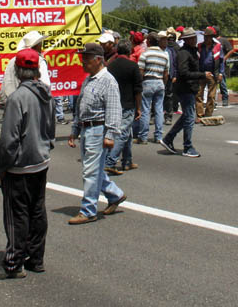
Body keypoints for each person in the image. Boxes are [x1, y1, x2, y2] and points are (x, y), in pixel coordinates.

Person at [0, 48, 56, 280]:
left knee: (17, 215)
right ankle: (36, 258)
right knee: (37, 211)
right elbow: (51, 129)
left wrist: (2, 167)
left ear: (17, 70)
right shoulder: (46, 93)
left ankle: (14, 264)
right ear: (36, 70)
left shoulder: (17, 98)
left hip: (20, 165)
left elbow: (8, 140)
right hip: (41, 160)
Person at [67, 42, 126, 225]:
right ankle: (115, 194)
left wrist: (110, 135)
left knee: (90, 172)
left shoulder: (108, 81)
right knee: (94, 169)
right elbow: (81, 106)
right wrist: (75, 130)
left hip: (98, 130)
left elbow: (114, 109)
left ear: (98, 60)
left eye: (86, 59)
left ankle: (88, 210)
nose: (83, 63)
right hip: (87, 129)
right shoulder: (89, 79)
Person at [161, 27, 201, 157]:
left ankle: (169, 138)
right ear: (187, 40)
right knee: (189, 117)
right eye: (193, 38)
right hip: (185, 88)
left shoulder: (191, 51)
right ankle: (187, 146)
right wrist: (202, 75)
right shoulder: (184, 52)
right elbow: (184, 72)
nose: (195, 40)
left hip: (189, 87)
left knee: (187, 116)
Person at [104, 41, 141, 175]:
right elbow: (138, 89)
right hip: (127, 104)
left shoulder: (110, 66)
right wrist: (139, 108)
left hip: (112, 104)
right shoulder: (132, 66)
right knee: (123, 133)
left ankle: (127, 161)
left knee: (127, 134)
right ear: (129, 51)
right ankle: (110, 161)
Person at [137, 32, 169, 143]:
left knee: (145, 110)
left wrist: (139, 84)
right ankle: (158, 136)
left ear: (149, 42)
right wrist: (163, 84)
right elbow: (166, 73)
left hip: (148, 81)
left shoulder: (145, 54)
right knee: (159, 109)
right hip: (160, 82)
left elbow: (140, 72)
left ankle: (143, 136)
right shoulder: (164, 54)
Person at [195, 26, 224, 119]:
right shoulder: (199, 46)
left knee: (211, 96)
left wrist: (220, 73)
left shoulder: (218, 46)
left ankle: (208, 114)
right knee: (198, 94)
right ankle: (199, 115)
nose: (206, 38)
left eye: (208, 37)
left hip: (213, 73)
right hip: (201, 73)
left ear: (212, 37)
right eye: (205, 37)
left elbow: (221, 61)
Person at [162, 29, 179, 125]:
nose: (170, 41)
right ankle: (155, 115)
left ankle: (168, 115)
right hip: (162, 76)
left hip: (169, 75)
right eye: (168, 39)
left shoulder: (174, 49)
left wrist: (175, 74)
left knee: (169, 95)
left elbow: (174, 63)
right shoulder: (164, 49)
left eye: (171, 39)